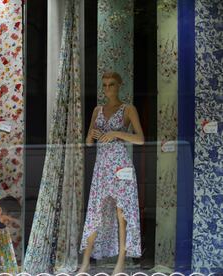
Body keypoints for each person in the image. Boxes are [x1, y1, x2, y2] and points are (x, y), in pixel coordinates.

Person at [78, 72, 144, 274]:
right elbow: (88, 142)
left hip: (121, 166)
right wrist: (93, 134)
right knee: (95, 212)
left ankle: (121, 263)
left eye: (111, 84)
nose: (107, 88)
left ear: (119, 85)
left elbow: (140, 139)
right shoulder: (97, 110)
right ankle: (85, 263)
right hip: (102, 167)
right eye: (105, 85)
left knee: (121, 212)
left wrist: (115, 133)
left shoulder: (128, 109)